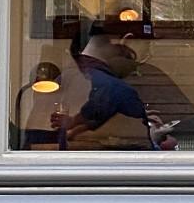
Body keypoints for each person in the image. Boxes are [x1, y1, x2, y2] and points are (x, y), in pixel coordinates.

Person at [49, 21, 159, 150]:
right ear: (126, 41)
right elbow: (144, 150)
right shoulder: (116, 89)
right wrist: (154, 138)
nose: (147, 56)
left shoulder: (61, 79)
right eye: (147, 46)